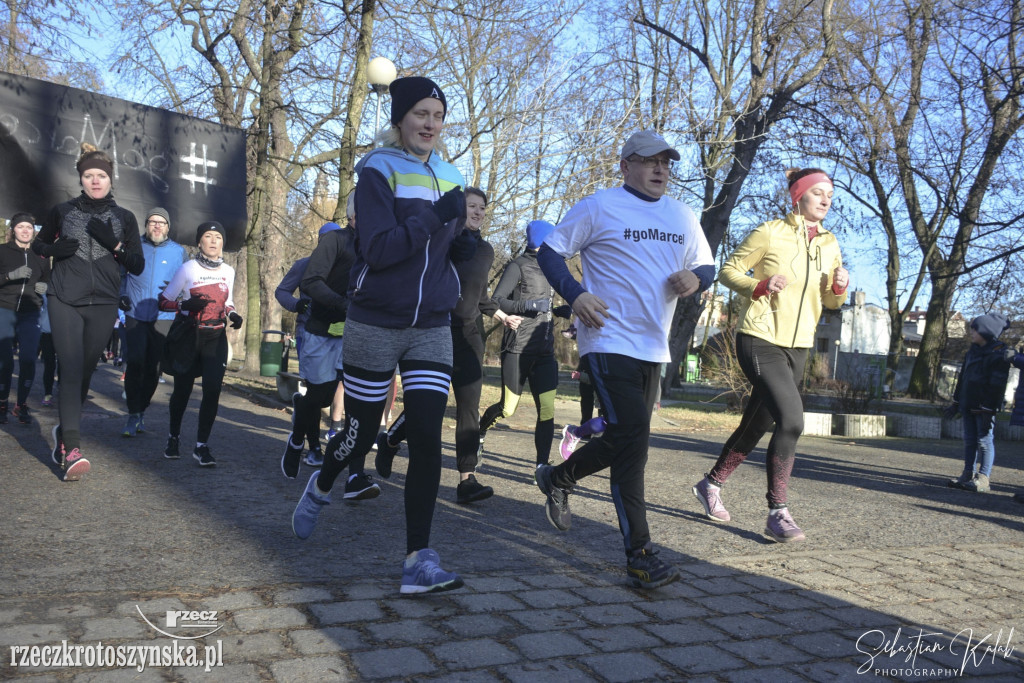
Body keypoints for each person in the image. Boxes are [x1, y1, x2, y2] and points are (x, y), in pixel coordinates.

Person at [291, 76, 474, 594]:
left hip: (430, 326)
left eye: (438, 115)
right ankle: (324, 481)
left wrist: (457, 246)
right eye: (420, 114)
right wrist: (436, 218)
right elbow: (377, 249)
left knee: (424, 433)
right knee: (363, 432)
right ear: (399, 119)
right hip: (375, 320)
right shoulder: (377, 169)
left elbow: (443, 246)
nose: (430, 124)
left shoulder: (452, 173)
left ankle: (419, 559)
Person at [536, 130, 715, 588]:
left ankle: (558, 478)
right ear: (625, 165)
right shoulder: (599, 206)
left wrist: (696, 279)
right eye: (649, 161)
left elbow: (707, 265)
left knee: (631, 442)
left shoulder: (682, 214)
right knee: (632, 441)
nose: (660, 170)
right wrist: (575, 295)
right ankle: (639, 554)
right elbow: (551, 251)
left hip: (654, 348)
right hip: (608, 338)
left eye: (666, 162)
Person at [692, 167, 848, 542]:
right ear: (799, 196)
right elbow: (728, 271)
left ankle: (710, 485)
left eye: (830, 195)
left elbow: (829, 302)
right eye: (819, 193)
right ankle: (778, 512)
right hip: (759, 337)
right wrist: (759, 285)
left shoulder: (830, 243)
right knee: (792, 421)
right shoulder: (770, 232)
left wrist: (839, 289)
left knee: (757, 423)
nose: (826, 200)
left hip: (800, 346)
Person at [375, 186, 521, 504]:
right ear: (459, 209)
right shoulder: (442, 241)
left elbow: (480, 296)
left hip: (470, 336)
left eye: (482, 207)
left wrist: (501, 315)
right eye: (471, 206)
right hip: (435, 329)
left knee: (468, 408)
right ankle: (390, 441)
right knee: (428, 406)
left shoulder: (486, 251)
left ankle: (466, 480)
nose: (478, 212)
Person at [32, 143, 145, 481]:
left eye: (101, 176)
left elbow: (136, 265)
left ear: (111, 180)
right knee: (69, 368)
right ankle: (73, 448)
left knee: (83, 371)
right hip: (64, 296)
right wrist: (53, 249)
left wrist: (115, 244)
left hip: (104, 301)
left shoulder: (125, 218)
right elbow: (38, 244)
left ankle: (63, 434)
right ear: (80, 179)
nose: (95, 181)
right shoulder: (62, 211)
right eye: (88, 176)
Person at [280, 219, 377, 491]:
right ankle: (298, 438)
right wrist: (299, 304)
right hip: (317, 332)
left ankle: (355, 475)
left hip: (353, 333)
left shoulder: (374, 249)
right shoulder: (307, 262)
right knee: (319, 396)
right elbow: (284, 290)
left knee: (357, 402)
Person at [479, 220, 571, 474]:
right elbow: (495, 301)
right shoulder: (518, 266)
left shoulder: (554, 268)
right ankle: (479, 433)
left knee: (547, 411)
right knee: (508, 409)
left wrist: (557, 310)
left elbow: (542, 305)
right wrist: (530, 307)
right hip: (518, 349)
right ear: (542, 241)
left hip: (544, 351)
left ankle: (542, 465)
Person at [158, 221, 242, 466]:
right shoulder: (187, 269)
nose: (214, 241)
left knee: (212, 391)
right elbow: (163, 302)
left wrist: (232, 315)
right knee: (182, 391)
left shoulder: (229, 271)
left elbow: (228, 302)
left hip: (216, 338)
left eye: (218, 236)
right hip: (189, 336)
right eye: (208, 236)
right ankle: (173, 438)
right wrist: (184, 305)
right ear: (199, 242)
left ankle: (201, 446)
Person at [119, 208, 186, 436]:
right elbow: (120, 274)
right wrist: (121, 295)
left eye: (162, 223)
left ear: (168, 227)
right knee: (135, 361)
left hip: (163, 316)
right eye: (152, 222)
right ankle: (132, 414)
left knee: (153, 367)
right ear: (146, 225)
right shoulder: (133, 246)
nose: (157, 226)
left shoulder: (178, 252)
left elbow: (185, 282)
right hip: (135, 312)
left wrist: (179, 300)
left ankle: (141, 411)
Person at [944, 313, 1011, 493]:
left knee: (984, 441)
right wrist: (957, 401)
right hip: (968, 403)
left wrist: (990, 407)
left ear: (987, 332)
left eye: (975, 329)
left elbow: (997, 384)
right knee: (969, 441)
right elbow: (962, 378)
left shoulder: (999, 353)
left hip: (984, 408)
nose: (971, 331)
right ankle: (967, 474)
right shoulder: (971, 352)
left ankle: (983, 478)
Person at [0, 212, 50, 425]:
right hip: (5, 309)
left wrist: (44, 287)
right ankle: (2, 402)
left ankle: (21, 404)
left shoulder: (41, 256)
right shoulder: (2, 251)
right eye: (20, 227)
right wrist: (10, 276)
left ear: (33, 231)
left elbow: (48, 280)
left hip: (30, 311)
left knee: (29, 359)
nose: (25, 230)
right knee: (5, 362)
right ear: (13, 231)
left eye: (28, 227)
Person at [38, 295, 56, 406]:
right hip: (46, 333)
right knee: (49, 364)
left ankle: (64, 389)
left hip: (65, 333)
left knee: (65, 364)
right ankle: (48, 393)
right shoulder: (44, 291)